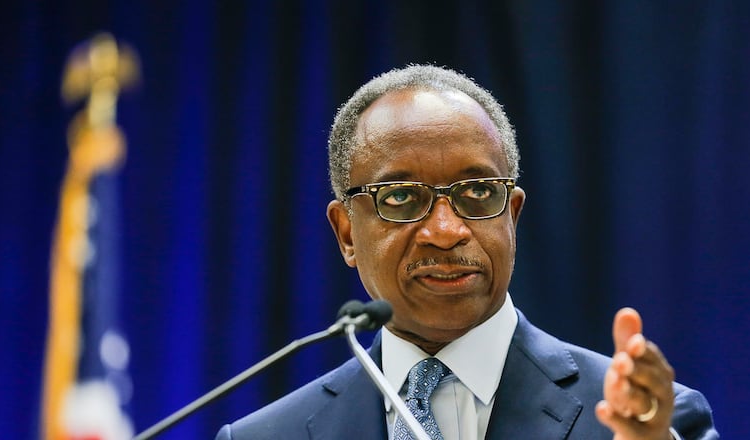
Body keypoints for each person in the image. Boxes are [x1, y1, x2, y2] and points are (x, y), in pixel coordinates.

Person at [216, 65, 717, 439]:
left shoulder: (654, 421)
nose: (446, 230)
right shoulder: (264, 437)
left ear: (512, 215)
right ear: (347, 233)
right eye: (400, 198)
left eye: (477, 194)